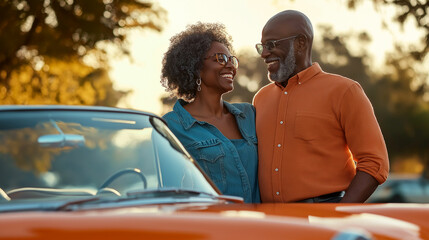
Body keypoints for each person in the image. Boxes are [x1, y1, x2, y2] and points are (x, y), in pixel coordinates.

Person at [253, 10, 389, 203]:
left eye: (271, 45)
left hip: (323, 216)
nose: (264, 54)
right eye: (262, 47)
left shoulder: (345, 91)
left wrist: (340, 214)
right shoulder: (260, 98)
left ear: (300, 42)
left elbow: (375, 163)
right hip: (272, 222)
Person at [161, 22, 260, 203]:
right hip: (213, 226)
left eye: (232, 60)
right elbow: (170, 192)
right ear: (196, 67)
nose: (230, 66)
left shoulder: (249, 115)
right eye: (220, 59)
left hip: (259, 226)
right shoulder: (171, 126)